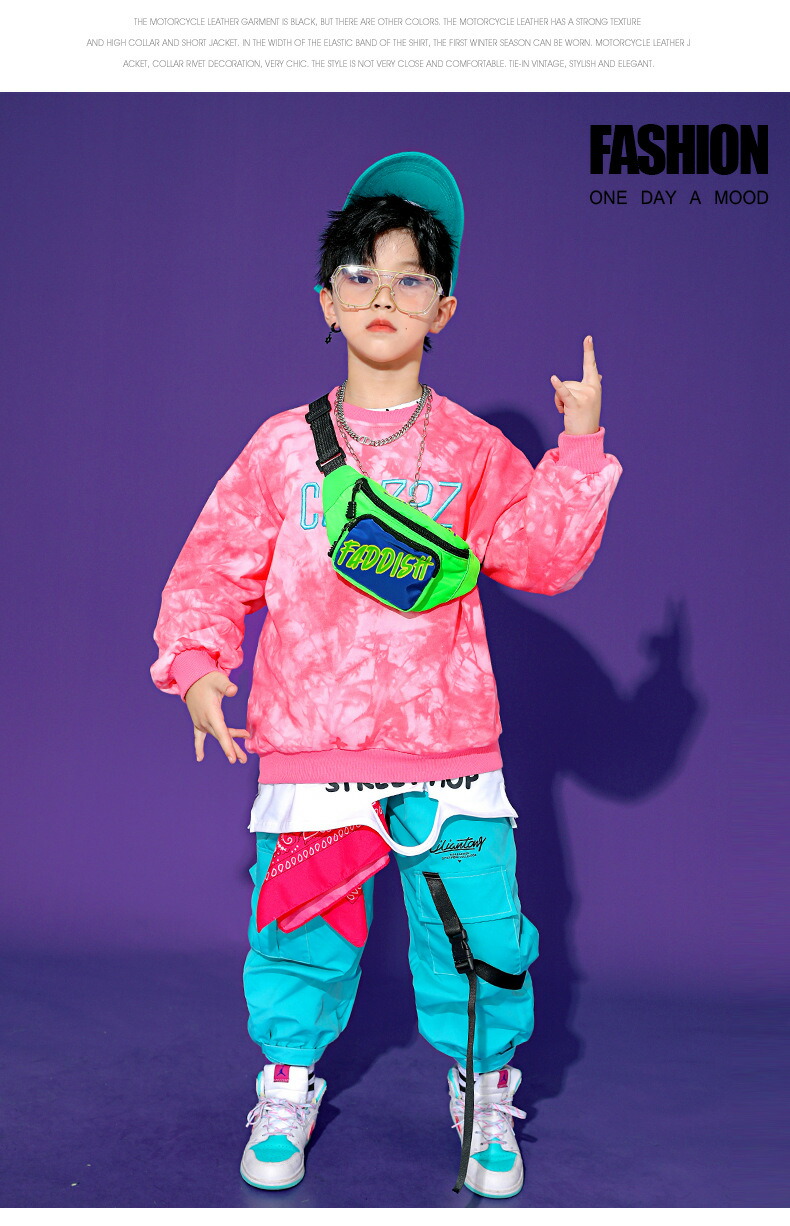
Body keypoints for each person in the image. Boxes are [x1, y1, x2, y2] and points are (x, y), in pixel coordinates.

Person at [150, 151, 623, 1199]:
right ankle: (286, 1082)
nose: (382, 295)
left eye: (410, 278)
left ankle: (484, 1088)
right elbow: (212, 568)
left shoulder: (474, 449)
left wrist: (580, 443)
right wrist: (197, 666)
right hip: (313, 748)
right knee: (300, 936)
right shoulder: (283, 448)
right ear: (326, 299)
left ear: (443, 309)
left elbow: (542, 559)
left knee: (478, 937)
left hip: (450, 749)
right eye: (360, 274)